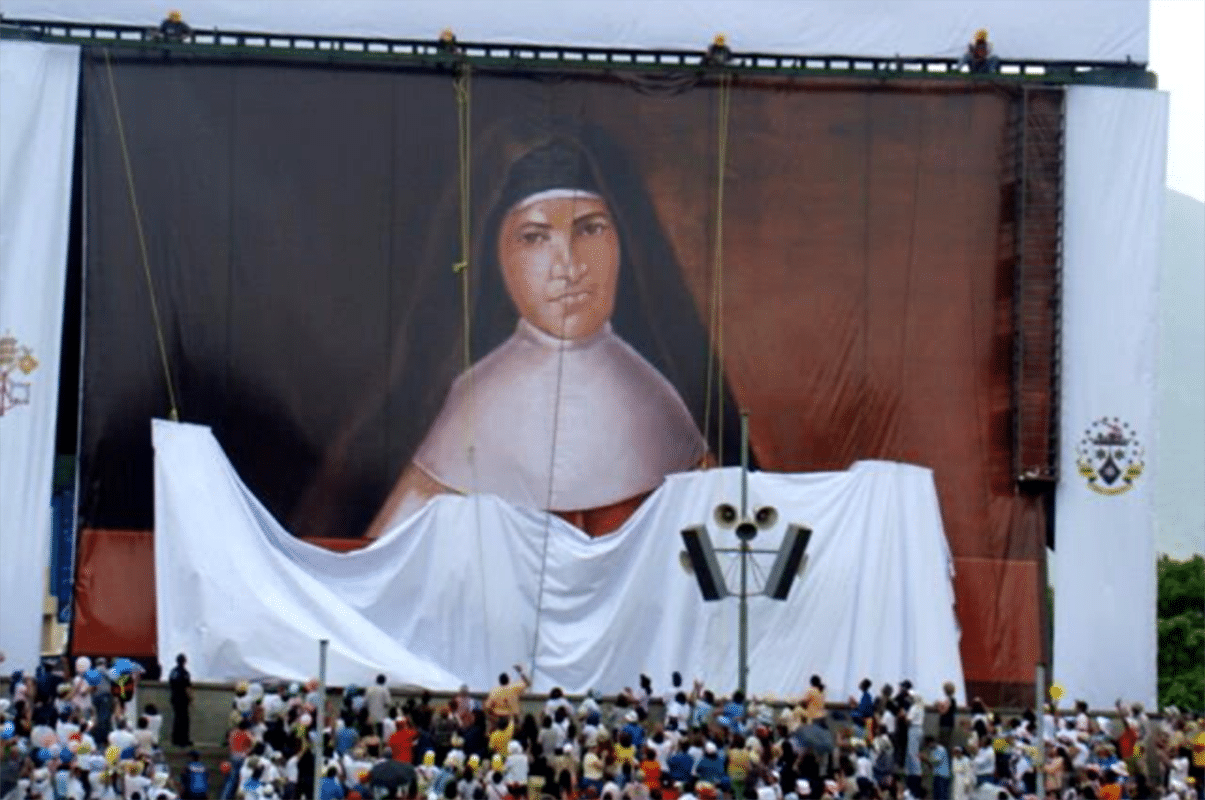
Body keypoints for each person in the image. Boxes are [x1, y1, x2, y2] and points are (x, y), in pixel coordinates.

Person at [289, 118, 744, 542]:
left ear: (623, 241)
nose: (569, 267)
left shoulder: (657, 403)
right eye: (534, 237)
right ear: (494, 256)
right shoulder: (472, 407)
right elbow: (391, 564)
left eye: (590, 229)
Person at [168, 654, 192, 747]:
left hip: (174, 698)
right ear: (184, 661)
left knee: (176, 718)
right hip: (182, 699)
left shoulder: (173, 672)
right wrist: (191, 698)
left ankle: (175, 739)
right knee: (184, 720)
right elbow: (187, 687)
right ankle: (183, 740)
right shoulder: (184, 673)